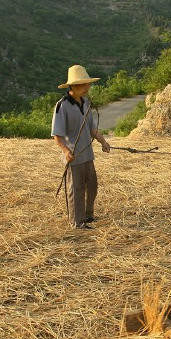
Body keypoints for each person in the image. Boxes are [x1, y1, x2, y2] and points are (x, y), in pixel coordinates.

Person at [52, 64, 110, 229]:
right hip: (74, 156)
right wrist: (66, 151)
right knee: (75, 189)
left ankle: (88, 215)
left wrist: (103, 142)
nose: (87, 88)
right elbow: (57, 136)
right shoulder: (61, 106)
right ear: (74, 86)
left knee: (92, 185)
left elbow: (91, 128)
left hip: (87, 154)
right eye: (84, 85)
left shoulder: (86, 103)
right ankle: (77, 222)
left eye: (88, 84)